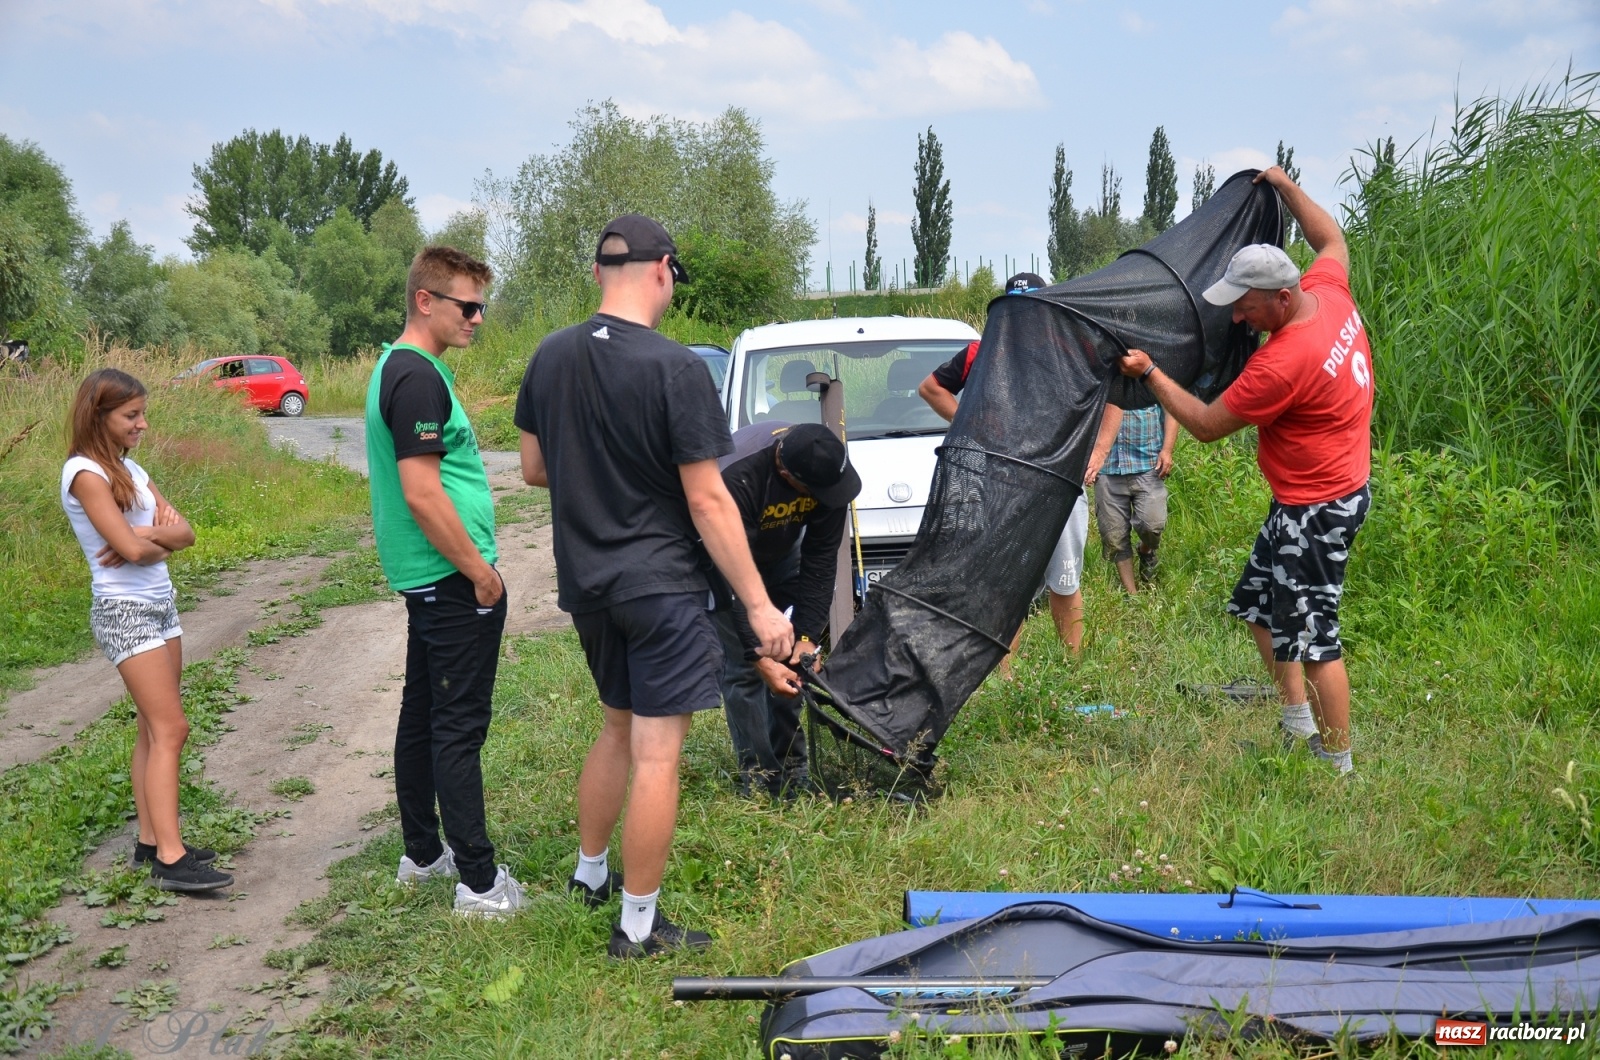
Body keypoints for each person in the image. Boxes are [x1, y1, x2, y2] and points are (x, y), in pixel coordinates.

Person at [515, 214, 793, 958]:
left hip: (589, 584)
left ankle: (590, 873)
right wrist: (761, 606)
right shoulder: (676, 368)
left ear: (600, 270)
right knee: (657, 751)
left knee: (615, 724)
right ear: (662, 269)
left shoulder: (549, 357)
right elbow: (707, 499)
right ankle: (638, 924)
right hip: (661, 585)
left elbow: (535, 469)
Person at [1117, 166, 1373, 774]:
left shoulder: (1285, 360)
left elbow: (1205, 424)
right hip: (1315, 495)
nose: (1237, 319)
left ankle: (1337, 765)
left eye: (1246, 307)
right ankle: (1295, 722)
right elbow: (1332, 238)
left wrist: (1152, 374)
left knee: (1316, 641)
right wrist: (1284, 186)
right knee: (1257, 608)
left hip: (1319, 508)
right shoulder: (1327, 294)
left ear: (1280, 299)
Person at [365, 246, 524, 916]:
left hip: (430, 577)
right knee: (458, 726)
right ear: (426, 300)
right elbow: (423, 493)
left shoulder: (400, 367)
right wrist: (479, 573)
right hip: (449, 577)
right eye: (468, 305)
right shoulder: (417, 378)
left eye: (482, 305)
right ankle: (480, 885)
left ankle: (424, 854)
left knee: (424, 713)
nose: (479, 318)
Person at [62, 369, 232, 893]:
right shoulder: (84, 472)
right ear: (100, 416)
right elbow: (134, 552)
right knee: (172, 729)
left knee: (151, 727)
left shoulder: (131, 470)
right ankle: (171, 860)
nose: (143, 424)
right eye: (131, 415)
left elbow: (188, 533)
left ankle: (151, 841)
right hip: (124, 611)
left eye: (142, 413)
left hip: (161, 604)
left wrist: (147, 534)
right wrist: (152, 537)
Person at [918, 272, 1086, 663]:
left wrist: (1096, 452)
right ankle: (1004, 679)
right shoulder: (981, 350)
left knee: (1065, 581)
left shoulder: (1071, 349)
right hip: (1000, 482)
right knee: (1001, 582)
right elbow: (930, 388)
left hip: (1059, 478)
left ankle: (1075, 669)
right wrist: (970, 423)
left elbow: (1111, 393)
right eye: (1016, 305)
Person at [714, 421, 861, 799]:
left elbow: (820, 559)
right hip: (723, 559)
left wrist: (807, 636)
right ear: (785, 473)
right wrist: (757, 656)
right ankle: (760, 778)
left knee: (791, 660)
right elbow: (724, 577)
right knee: (747, 668)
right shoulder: (738, 477)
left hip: (780, 555)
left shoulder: (826, 469)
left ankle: (792, 768)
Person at [1084, 402, 1178, 594]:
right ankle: (1133, 594)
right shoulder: (1096, 373)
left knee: (1152, 524)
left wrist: (1167, 450)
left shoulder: (1151, 373)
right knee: (1114, 536)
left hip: (1148, 463)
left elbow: (1172, 409)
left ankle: (1146, 550)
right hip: (1107, 468)